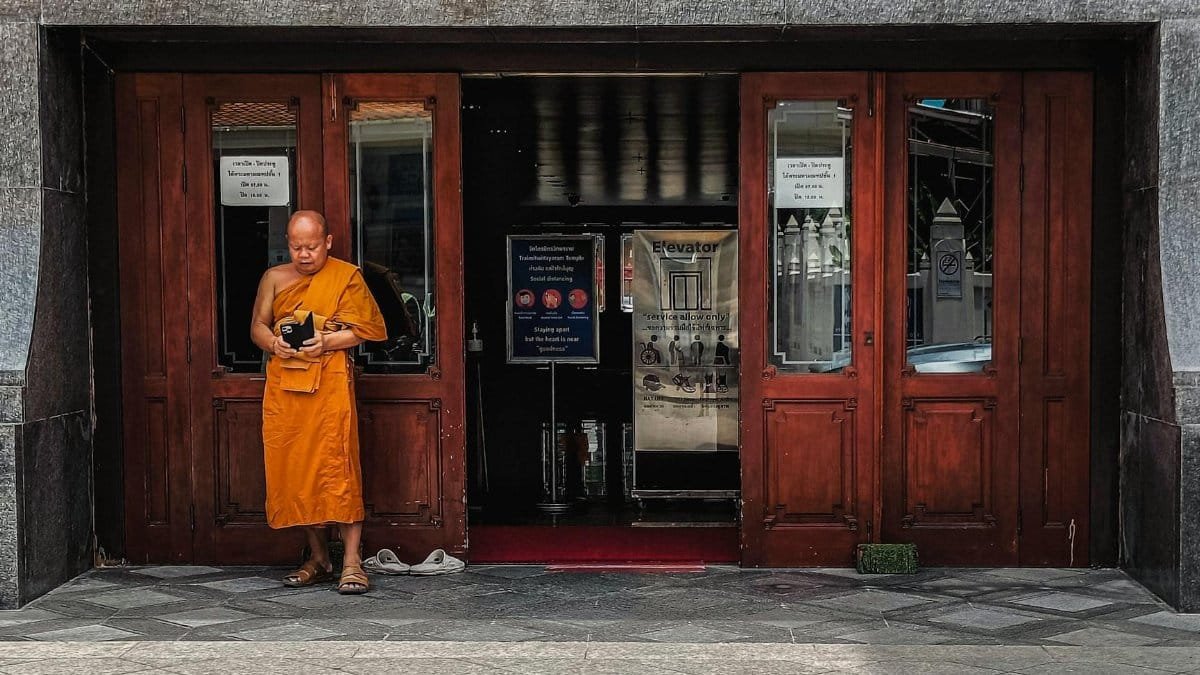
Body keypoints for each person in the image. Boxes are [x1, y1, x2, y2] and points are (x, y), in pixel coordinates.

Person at [250, 210, 387, 595]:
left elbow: (369, 330)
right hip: (286, 388)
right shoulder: (274, 279)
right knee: (297, 471)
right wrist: (272, 342)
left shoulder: (346, 276)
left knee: (339, 469)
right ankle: (319, 557)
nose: (304, 254)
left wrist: (326, 341)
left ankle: (352, 562)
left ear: (328, 241)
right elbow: (257, 325)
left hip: (329, 386)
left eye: (311, 246)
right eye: (296, 247)